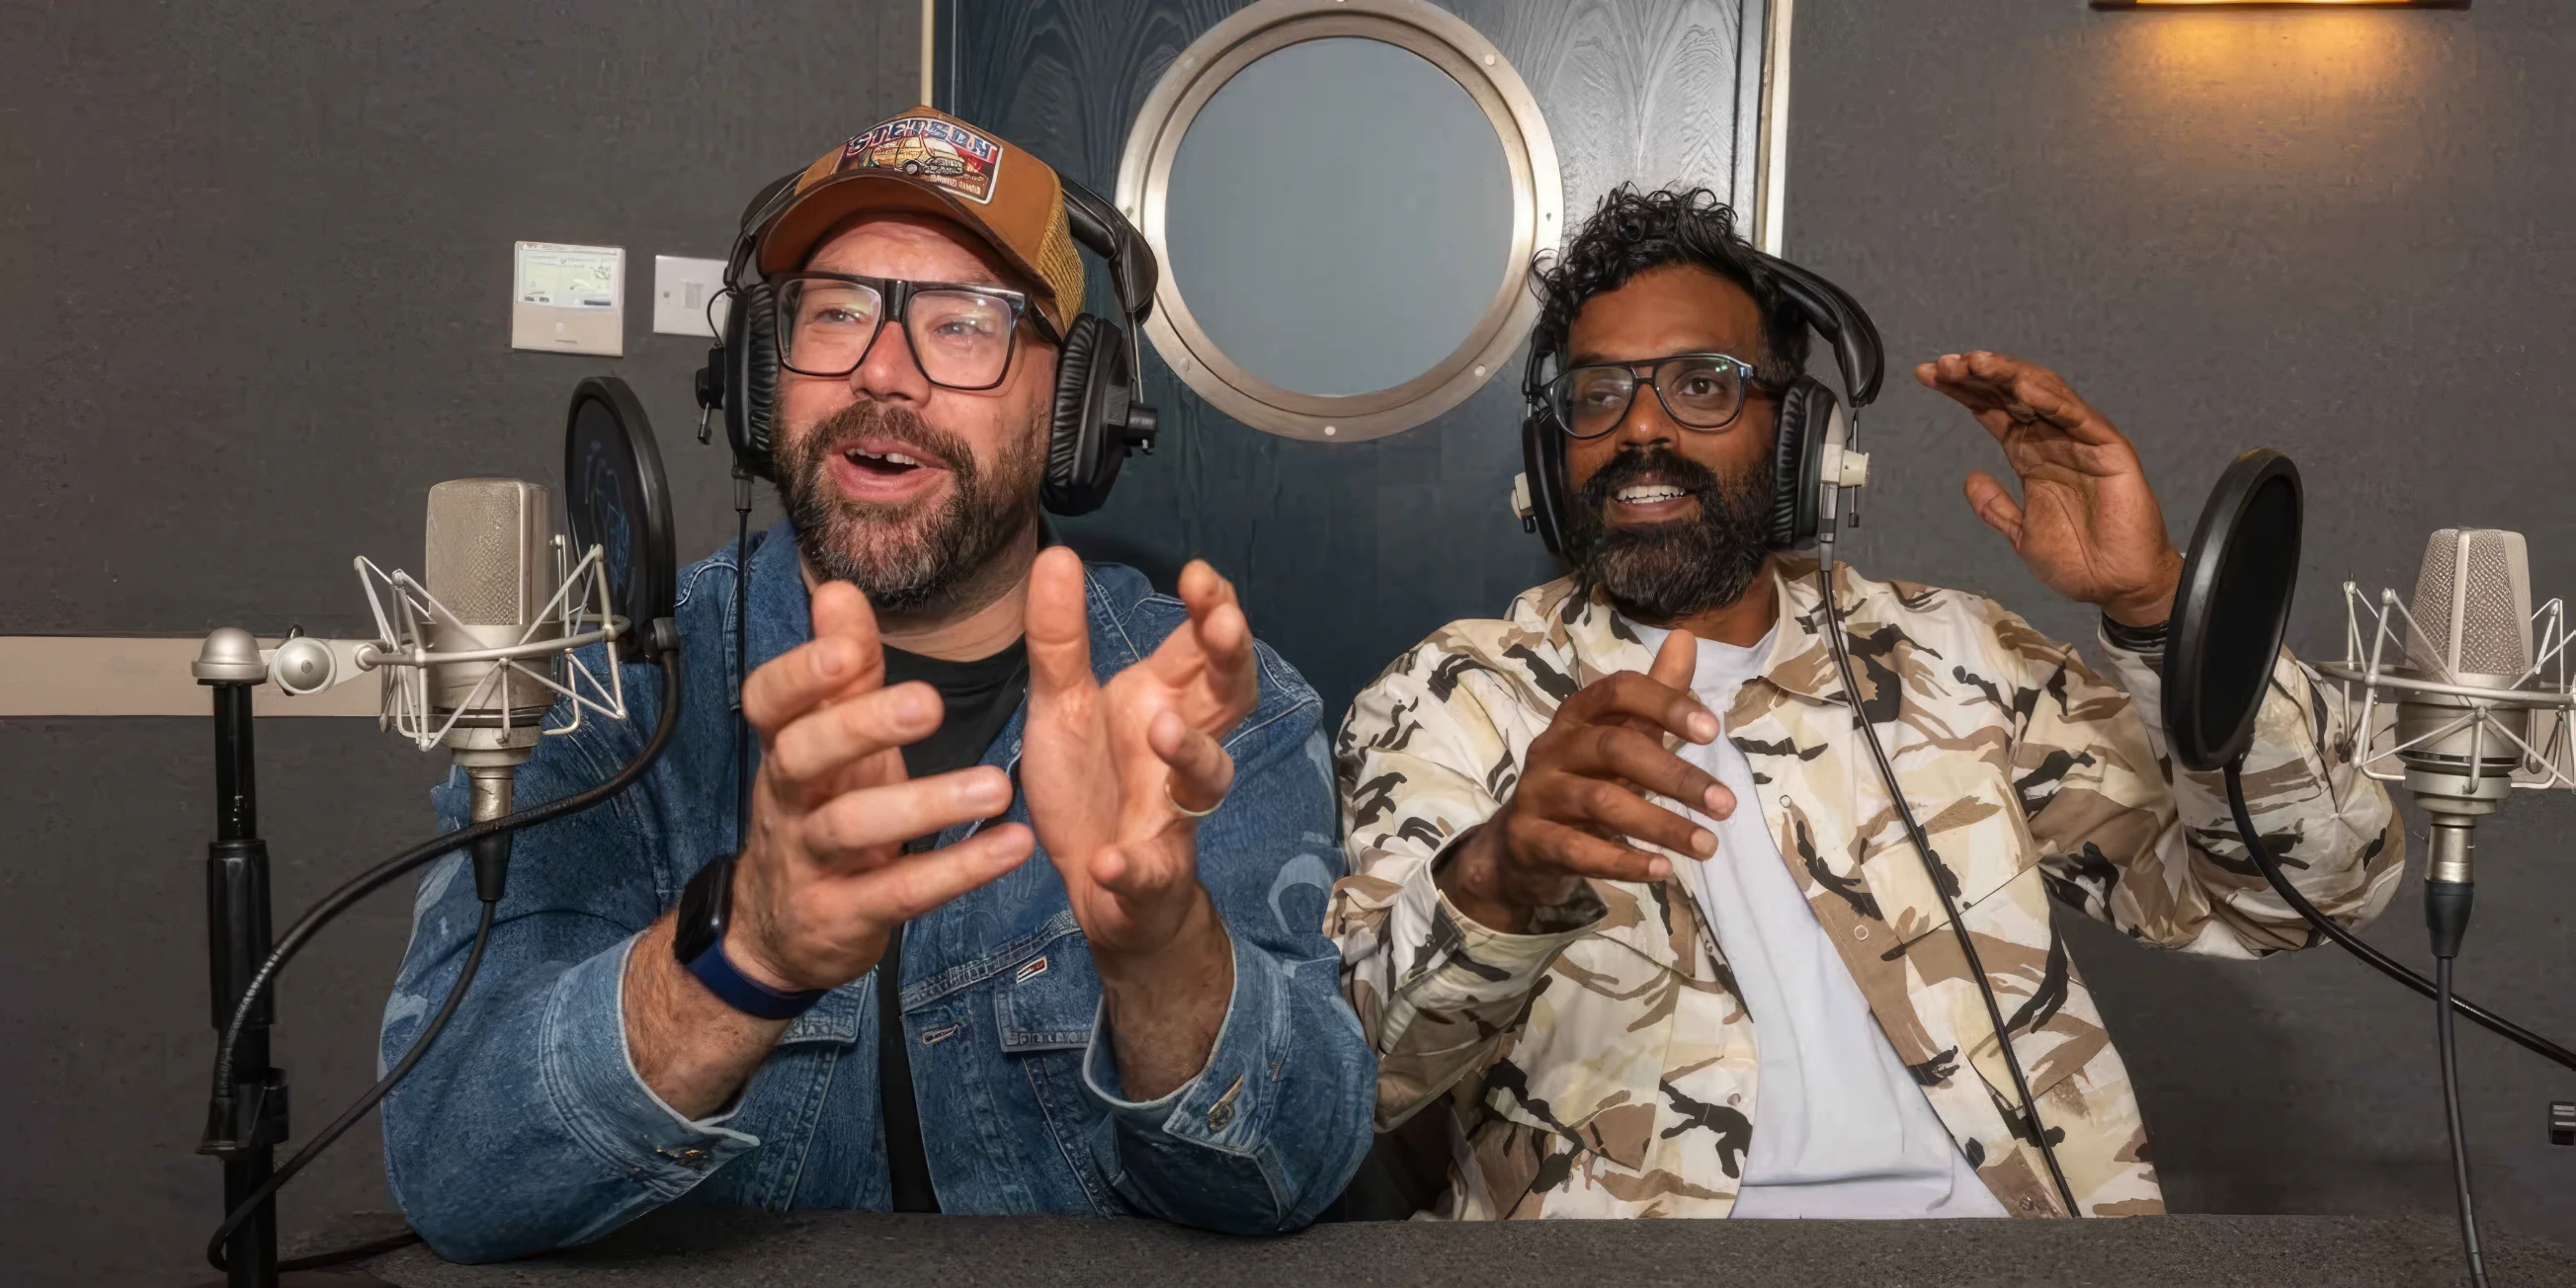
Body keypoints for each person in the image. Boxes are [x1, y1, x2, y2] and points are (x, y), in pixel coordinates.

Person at [380, 107, 1372, 1260]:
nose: (881, 372)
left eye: (964, 324)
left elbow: (1290, 1174)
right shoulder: (611, 696)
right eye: (837, 311)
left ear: (1077, 408)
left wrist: (1159, 951)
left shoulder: (1207, 710)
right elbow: (455, 1160)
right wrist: (742, 955)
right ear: (757, 380)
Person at [1329, 186, 2402, 1220]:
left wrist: (2165, 603)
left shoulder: (1953, 654)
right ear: (1550, 455)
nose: (1639, 430)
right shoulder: (1453, 695)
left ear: (1802, 437)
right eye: (1597, 394)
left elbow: (2301, 891)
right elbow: (1358, 1081)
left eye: (1701, 383)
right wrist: (1502, 870)